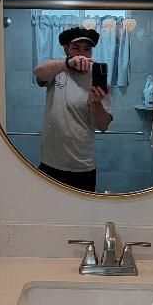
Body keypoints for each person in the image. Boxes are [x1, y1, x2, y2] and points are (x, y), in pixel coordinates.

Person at [34, 26, 112, 191]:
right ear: (66, 49)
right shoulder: (57, 72)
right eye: (76, 48)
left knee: (82, 216)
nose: (81, 53)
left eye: (87, 49)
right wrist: (68, 64)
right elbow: (39, 72)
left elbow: (103, 126)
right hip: (50, 163)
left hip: (82, 166)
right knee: (46, 214)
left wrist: (96, 103)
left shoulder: (99, 81)